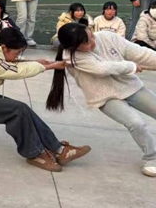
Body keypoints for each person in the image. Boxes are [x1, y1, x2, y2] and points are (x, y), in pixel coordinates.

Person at [0, 28, 90, 172]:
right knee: (17, 111)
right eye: (17, 52)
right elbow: (16, 70)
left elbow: (9, 61)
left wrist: (38, 62)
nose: (17, 56)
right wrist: (49, 66)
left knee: (23, 110)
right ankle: (34, 154)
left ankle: (59, 150)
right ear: (4, 47)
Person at [50, 23, 156, 177]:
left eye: (92, 36)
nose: (93, 42)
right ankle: (152, 157)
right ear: (73, 47)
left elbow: (140, 53)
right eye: (87, 43)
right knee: (136, 123)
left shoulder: (107, 36)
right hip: (105, 97)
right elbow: (102, 69)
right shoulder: (71, 57)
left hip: (131, 87)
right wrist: (130, 66)